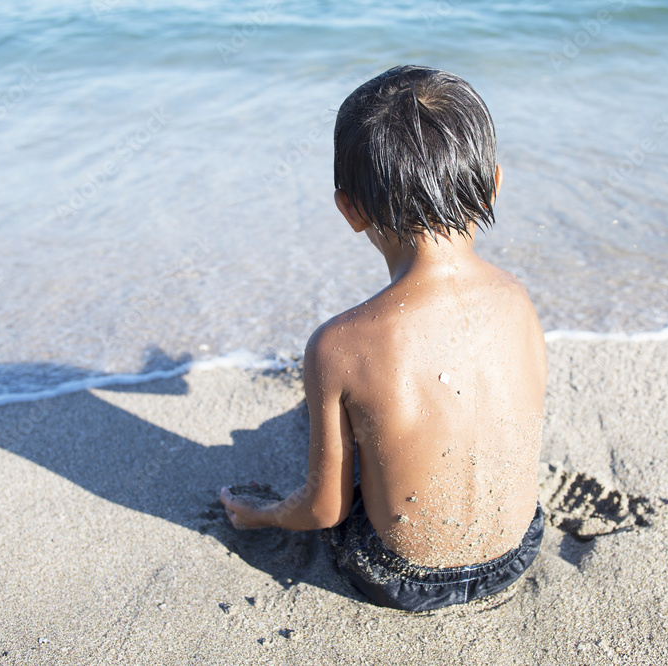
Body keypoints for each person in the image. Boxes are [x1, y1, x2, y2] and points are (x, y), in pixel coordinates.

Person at [220, 65, 547, 612]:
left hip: (401, 578)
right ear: (493, 182)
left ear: (348, 209)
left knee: (345, 448)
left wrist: (264, 513)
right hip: (517, 552)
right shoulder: (519, 298)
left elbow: (323, 511)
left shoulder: (339, 347)